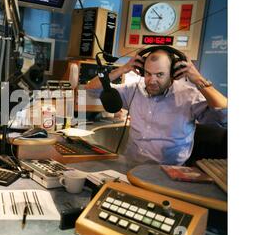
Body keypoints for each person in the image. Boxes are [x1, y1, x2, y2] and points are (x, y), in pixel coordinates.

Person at [86, 47, 227, 166]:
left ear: (173, 73)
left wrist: (198, 79)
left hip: (168, 173)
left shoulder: (189, 96)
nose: (152, 81)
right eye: (148, 73)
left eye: (159, 74)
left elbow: (224, 114)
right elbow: (91, 89)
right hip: (130, 167)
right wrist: (122, 69)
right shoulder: (133, 90)